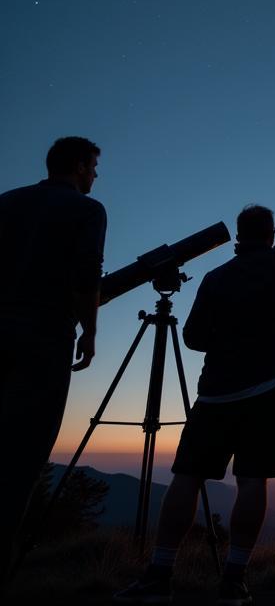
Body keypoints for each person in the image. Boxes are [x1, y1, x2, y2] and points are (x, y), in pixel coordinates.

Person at [115, 171, 275, 606]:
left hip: (214, 396)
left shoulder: (214, 279)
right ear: (271, 234)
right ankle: (234, 579)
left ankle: (159, 573)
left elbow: (192, 338)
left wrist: (224, 342)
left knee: (186, 478)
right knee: (252, 482)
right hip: (267, 393)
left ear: (239, 237)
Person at [0, 136, 106, 584]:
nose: (96, 176)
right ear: (80, 166)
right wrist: (91, 330)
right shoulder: (87, 210)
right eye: (94, 167)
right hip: (43, 341)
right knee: (21, 456)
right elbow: (86, 276)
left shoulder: (7, 202)